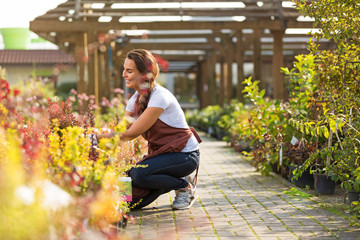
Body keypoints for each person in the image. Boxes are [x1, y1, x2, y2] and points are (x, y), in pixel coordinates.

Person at [97, 49, 201, 210]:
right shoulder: (134, 100)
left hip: (185, 155)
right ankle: (165, 177)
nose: (123, 74)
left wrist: (94, 138)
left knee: (140, 175)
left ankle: (185, 186)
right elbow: (121, 130)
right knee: (130, 201)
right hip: (162, 155)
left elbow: (130, 134)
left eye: (129, 71)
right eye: (124, 70)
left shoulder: (160, 97)